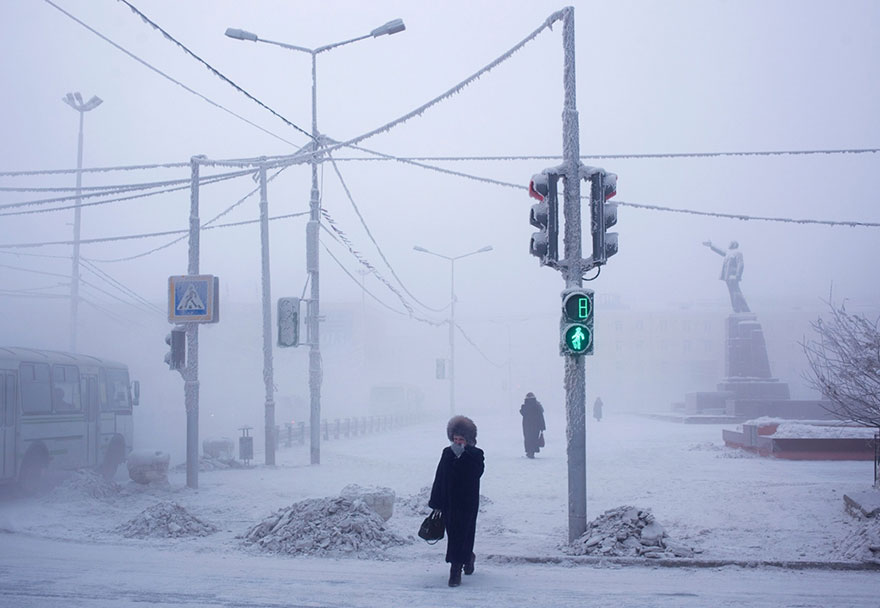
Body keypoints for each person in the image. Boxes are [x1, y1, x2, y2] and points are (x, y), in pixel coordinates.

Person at [429, 415, 484, 587]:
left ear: (469, 440)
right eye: (455, 439)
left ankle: (456, 569)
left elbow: (476, 474)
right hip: (449, 503)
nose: (458, 442)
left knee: (465, 533)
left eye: (461, 439)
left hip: (467, 502)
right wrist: (436, 502)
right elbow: (440, 477)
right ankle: (462, 561)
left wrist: (463, 457)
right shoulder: (447, 453)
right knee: (454, 535)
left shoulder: (476, 454)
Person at [702, 239, 751, 313]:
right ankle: (736, 309)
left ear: (734, 244)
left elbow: (741, 264)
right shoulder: (728, 252)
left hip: (733, 276)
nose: (729, 244)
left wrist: (737, 276)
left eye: (731, 243)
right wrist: (711, 245)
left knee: (736, 293)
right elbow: (720, 251)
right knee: (732, 294)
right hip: (727, 277)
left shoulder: (738, 253)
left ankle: (745, 309)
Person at [519, 392, 546, 459]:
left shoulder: (525, 406)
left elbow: (522, 412)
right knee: (534, 439)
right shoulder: (537, 406)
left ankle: (529, 452)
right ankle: (532, 452)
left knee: (528, 439)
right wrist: (542, 427)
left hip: (527, 426)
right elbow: (541, 417)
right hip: (536, 426)